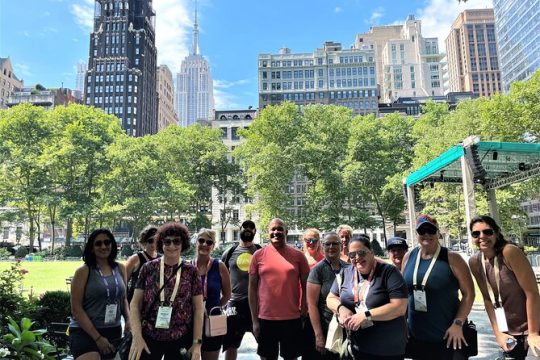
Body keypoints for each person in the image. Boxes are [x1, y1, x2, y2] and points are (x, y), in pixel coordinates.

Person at [402, 214, 475, 360]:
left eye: (431, 230)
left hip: (447, 336)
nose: (427, 234)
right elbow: (403, 293)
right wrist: (402, 323)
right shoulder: (409, 257)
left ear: (438, 233)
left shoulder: (453, 258)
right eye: (422, 231)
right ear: (416, 234)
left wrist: (458, 323)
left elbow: (469, 294)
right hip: (416, 336)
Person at [468, 215, 540, 359]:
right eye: (476, 233)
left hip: (532, 328)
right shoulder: (475, 262)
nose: (482, 236)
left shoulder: (509, 252)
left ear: (496, 232)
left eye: (487, 232)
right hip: (508, 332)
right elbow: (487, 300)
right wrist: (498, 333)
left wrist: (533, 333)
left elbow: (532, 293)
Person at [129, 222, 204, 360]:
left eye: (177, 241)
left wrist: (197, 343)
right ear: (161, 244)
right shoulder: (148, 268)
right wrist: (137, 337)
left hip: (180, 337)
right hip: (150, 336)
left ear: (183, 244)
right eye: (167, 242)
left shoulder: (191, 271)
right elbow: (134, 304)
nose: (171, 246)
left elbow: (198, 309)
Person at [326, 234, 408, 359]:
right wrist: (341, 309)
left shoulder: (389, 272)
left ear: (372, 252)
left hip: (387, 349)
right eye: (352, 255)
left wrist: (366, 315)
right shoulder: (346, 272)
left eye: (361, 253)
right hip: (357, 347)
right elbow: (330, 298)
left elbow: (399, 307)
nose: (357, 258)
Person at [248, 218, 310, 360]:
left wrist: (303, 312)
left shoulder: (298, 256)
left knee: (291, 357)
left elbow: (307, 287)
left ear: (286, 232)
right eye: (273, 229)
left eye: (280, 229)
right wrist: (255, 321)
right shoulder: (258, 256)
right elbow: (251, 290)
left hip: (292, 318)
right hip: (266, 318)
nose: (276, 232)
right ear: (267, 232)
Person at [69, 229, 130, 360]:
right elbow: (76, 309)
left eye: (107, 242)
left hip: (113, 331)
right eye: (98, 244)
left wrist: (129, 320)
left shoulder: (120, 268)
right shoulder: (83, 272)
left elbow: (123, 299)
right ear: (91, 248)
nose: (103, 246)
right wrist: (97, 338)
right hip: (85, 332)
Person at [221, 220, 261, 360]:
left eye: (252, 227)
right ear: (240, 229)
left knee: (264, 344)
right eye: (245, 226)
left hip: (257, 305)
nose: (248, 229)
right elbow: (222, 276)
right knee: (231, 345)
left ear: (255, 231)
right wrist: (224, 299)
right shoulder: (230, 252)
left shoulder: (260, 251)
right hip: (234, 304)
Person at [307, 232, 350, 360]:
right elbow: (312, 305)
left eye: (335, 243)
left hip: (347, 329)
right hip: (326, 330)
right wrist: (319, 335)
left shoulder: (349, 268)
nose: (331, 246)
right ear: (322, 246)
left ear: (341, 246)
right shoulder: (317, 271)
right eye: (327, 244)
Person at [193, 229, 231, 360]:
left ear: (213, 246)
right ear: (196, 242)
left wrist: (215, 307)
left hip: (212, 322)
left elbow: (227, 294)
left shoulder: (219, 266)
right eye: (201, 240)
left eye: (209, 242)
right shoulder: (188, 267)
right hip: (190, 322)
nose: (204, 244)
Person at [125, 225, 159, 303]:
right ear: (144, 241)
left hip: (153, 302)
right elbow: (124, 282)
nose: (153, 244)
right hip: (136, 301)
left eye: (156, 241)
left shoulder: (161, 259)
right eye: (150, 241)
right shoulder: (135, 259)